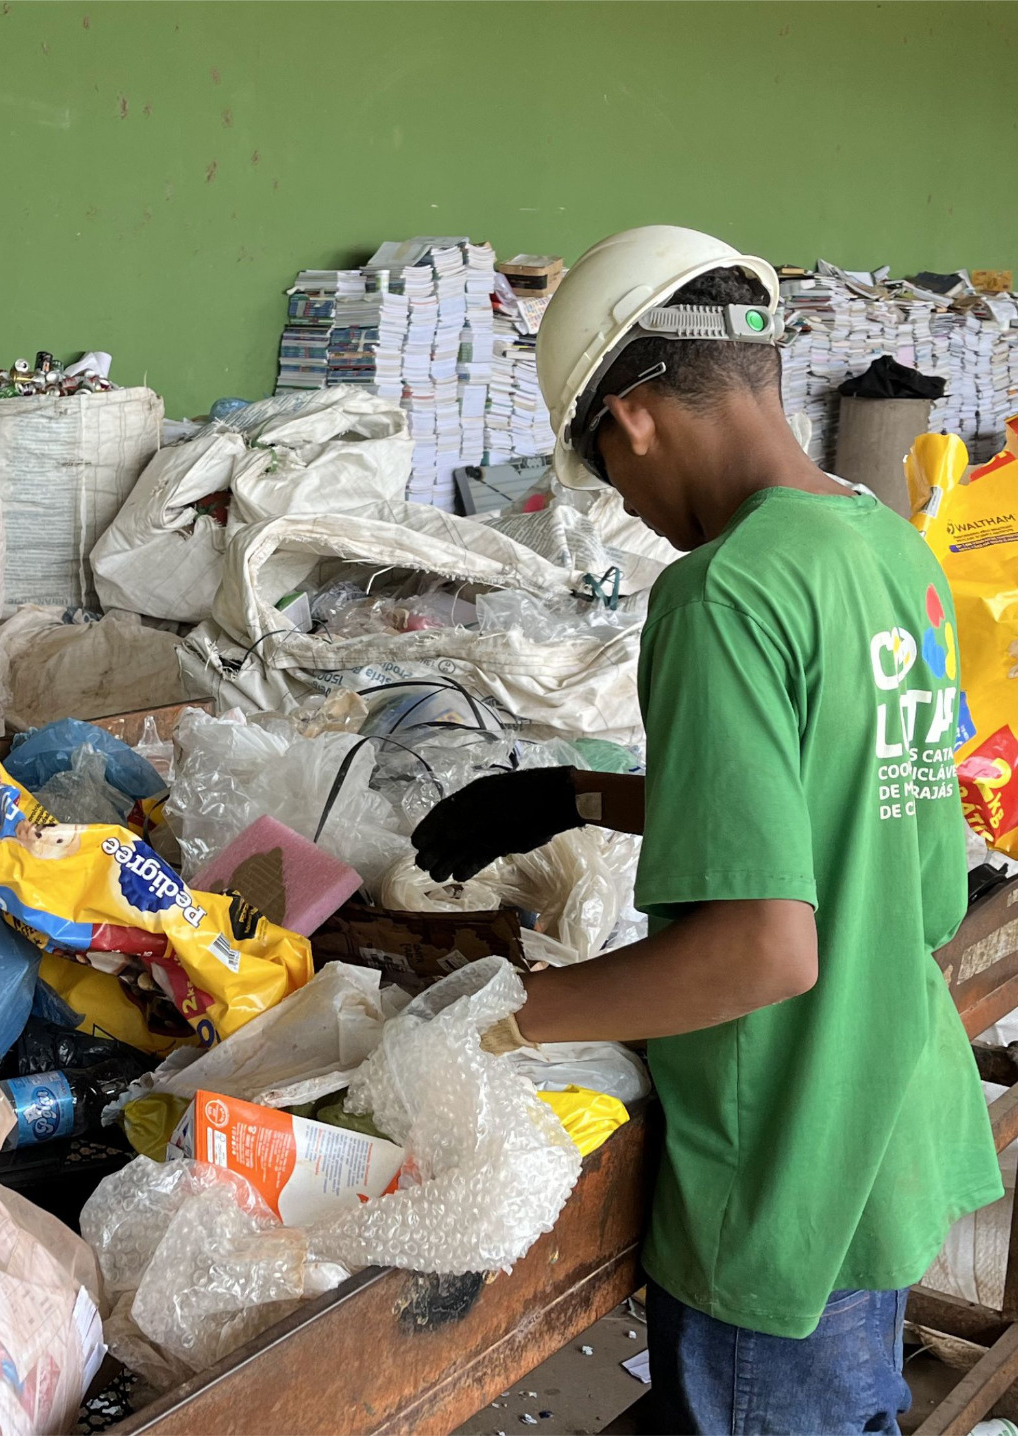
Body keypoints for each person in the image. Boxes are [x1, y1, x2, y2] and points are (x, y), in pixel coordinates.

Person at [413, 226, 1000, 1435]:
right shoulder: (886, 545)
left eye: (604, 478)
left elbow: (760, 951)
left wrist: (504, 1016)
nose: (625, 507)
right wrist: (576, 795)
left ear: (630, 420)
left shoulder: (721, 589)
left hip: (782, 1154)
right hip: (884, 1111)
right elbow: (856, 809)